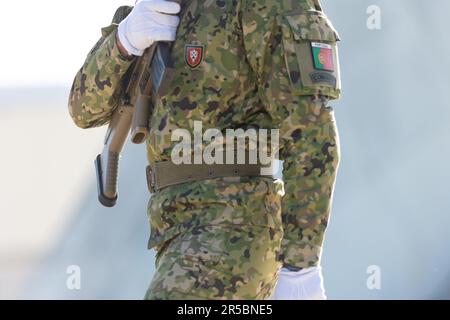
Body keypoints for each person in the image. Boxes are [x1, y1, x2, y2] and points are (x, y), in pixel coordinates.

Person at [68, 0, 341, 300]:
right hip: (174, 229)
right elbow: (84, 110)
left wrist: (301, 269)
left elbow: (313, 132)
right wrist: (124, 41)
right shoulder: (157, 5)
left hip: (234, 226)